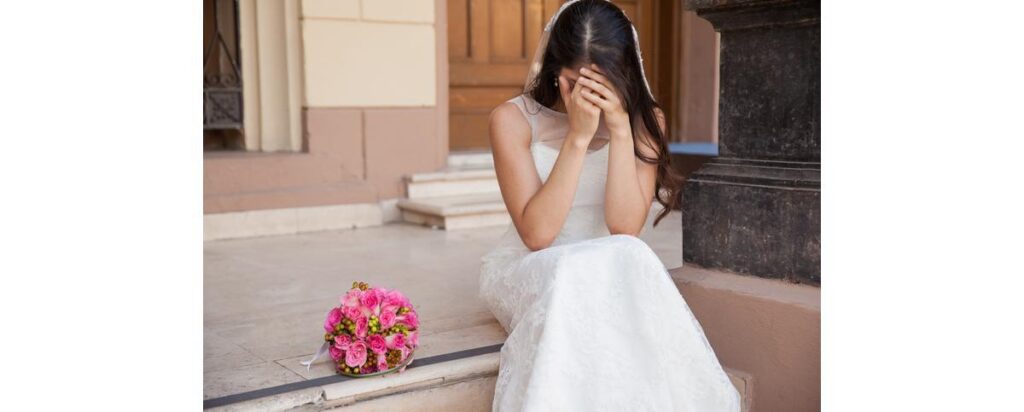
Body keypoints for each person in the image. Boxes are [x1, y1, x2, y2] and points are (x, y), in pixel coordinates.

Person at [477, 0, 741, 410]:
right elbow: (538, 235)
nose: (590, 100)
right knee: (581, 272)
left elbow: (623, 228)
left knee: (630, 255)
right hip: (540, 266)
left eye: (603, 86)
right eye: (575, 84)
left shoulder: (644, 121)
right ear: (554, 70)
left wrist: (620, 130)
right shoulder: (512, 120)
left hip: (612, 266)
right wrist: (578, 139)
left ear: (625, 75)